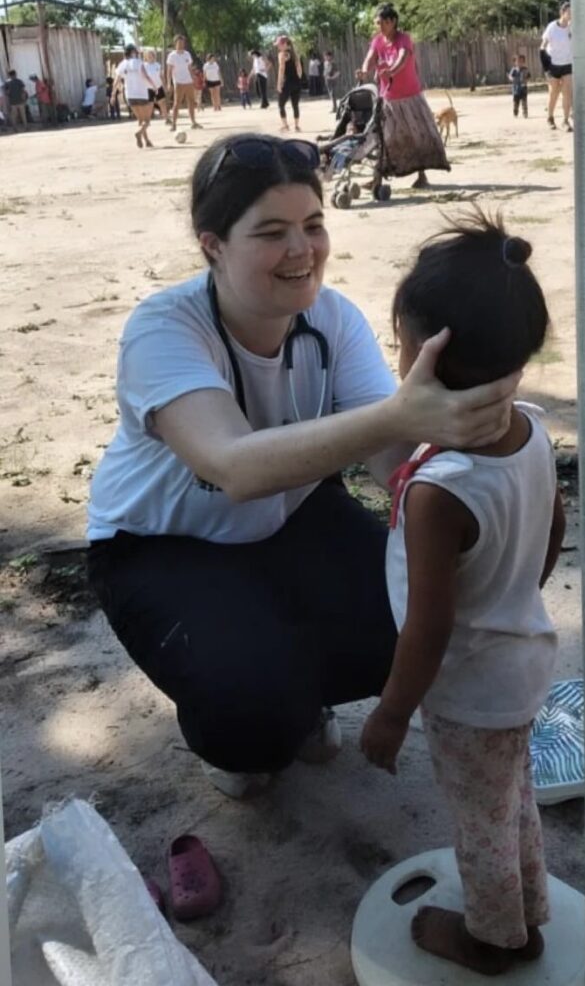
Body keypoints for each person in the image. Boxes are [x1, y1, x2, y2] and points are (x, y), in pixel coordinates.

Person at [86, 133, 521, 802]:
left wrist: (492, 441)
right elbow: (232, 466)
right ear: (212, 245)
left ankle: (297, 692)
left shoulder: (333, 319)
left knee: (427, 613)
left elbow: (393, 458)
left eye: (313, 226)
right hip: (161, 545)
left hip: (293, 517)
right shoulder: (163, 329)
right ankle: (249, 725)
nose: (302, 251)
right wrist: (404, 416)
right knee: (252, 718)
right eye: (271, 232)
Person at [361, 210, 565, 977]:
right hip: (519, 660)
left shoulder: (438, 493)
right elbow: (551, 527)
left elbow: (430, 625)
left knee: (479, 818)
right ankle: (526, 909)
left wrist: (390, 712)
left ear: (431, 356)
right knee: (510, 802)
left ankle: (494, 940)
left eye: (400, 345)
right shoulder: (533, 429)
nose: (397, 357)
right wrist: (515, 591)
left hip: (472, 690)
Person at [357, 2, 449, 190]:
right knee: (384, 138)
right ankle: (378, 178)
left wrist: (391, 71)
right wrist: (365, 71)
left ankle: (422, 176)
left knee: (418, 137)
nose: (380, 27)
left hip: (410, 98)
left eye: (382, 23)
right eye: (377, 23)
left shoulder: (403, 39)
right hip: (388, 98)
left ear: (393, 21)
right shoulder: (377, 41)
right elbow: (370, 58)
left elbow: (403, 58)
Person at [111, 45, 158, 148]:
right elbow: (146, 76)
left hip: (130, 95)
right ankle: (139, 133)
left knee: (140, 119)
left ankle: (146, 141)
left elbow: (116, 80)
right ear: (133, 52)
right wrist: (154, 86)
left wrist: (113, 94)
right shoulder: (138, 62)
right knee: (147, 120)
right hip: (141, 93)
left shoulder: (122, 64)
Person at [541, 2, 573, 131]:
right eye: (569, 12)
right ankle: (550, 117)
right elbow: (542, 46)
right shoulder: (552, 27)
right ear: (562, 13)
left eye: (572, 13)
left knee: (567, 93)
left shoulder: (572, 27)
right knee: (554, 93)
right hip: (553, 64)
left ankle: (565, 121)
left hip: (568, 63)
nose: (571, 15)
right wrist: (546, 68)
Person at [167, 35, 202, 132]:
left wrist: (193, 77)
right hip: (178, 82)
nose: (181, 45)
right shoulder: (172, 56)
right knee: (176, 103)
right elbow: (169, 70)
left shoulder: (187, 54)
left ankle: (193, 122)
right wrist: (169, 83)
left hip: (188, 81)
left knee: (191, 102)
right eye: (179, 43)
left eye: (182, 43)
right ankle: (174, 124)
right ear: (175, 44)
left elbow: (189, 68)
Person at [275, 35, 302, 133]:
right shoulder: (295, 54)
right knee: (295, 105)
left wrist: (279, 83)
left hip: (287, 82)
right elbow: (299, 69)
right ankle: (297, 126)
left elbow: (281, 69)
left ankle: (285, 125)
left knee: (281, 104)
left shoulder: (282, 54)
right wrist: (299, 78)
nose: (278, 47)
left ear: (285, 44)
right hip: (296, 82)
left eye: (279, 44)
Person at [143, 50, 169, 122]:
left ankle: (166, 119)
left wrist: (165, 86)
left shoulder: (158, 65)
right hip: (148, 88)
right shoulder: (144, 66)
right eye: (148, 55)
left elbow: (161, 76)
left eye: (151, 55)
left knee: (162, 103)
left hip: (158, 86)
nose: (150, 56)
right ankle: (147, 120)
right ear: (146, 57)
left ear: (154, 56)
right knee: (150, 105)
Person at [508, 54, 530, 118]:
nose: (519, 63)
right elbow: (510, 76)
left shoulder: (525, 69)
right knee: (516, 101)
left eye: (521, 61)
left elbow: (528, 76)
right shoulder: (514, 69)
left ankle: (525, 113)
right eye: (518, 61)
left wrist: (526, 80)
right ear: (515, 62)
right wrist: (512, 79)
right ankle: (515, 111)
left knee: (524, 101)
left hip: (523, 88)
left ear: (523, 62)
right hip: (516, 88)